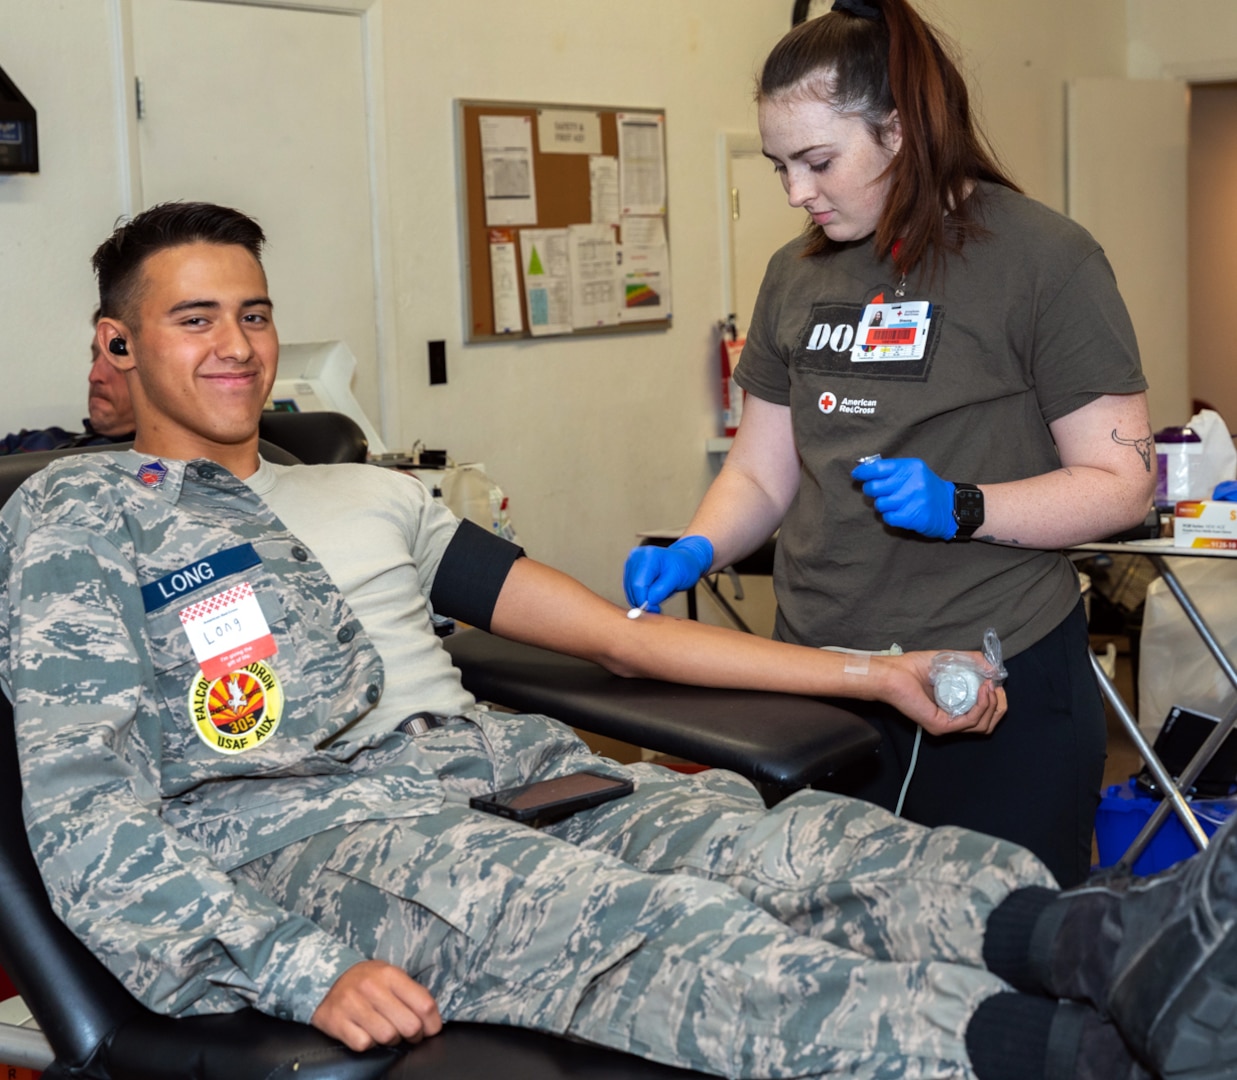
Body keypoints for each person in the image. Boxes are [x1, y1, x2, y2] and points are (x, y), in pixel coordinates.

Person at [1, 200, 1226, 1080]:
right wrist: (288, 967)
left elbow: (615, 637)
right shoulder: (78, 517)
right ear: (119, 348)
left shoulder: (371, 491)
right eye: (194, 319)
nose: (237, 347)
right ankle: (1061, 1055)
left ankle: (1129, 947)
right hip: (318, 835)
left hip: (509, 778)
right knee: (650, 933)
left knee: (797, 848)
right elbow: (88, 818)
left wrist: (876, 675)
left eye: (255, 314)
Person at [622, 0, 1155, 888]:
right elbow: (761, 469)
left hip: (991, 672)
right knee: (819, 943)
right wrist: (697, 544)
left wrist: (965, 506)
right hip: (819, 673)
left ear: (900, 129)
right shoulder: (796, 273)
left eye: (818, 161)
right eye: (779, 166)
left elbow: (1120, 481)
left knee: (994, 950)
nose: (796, 192)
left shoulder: (1042, 259)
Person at [0, 310, 136, 454]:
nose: (94, 376)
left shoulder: (149, 467)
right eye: (94, 357)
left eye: (115, 360)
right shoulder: (37, 442)